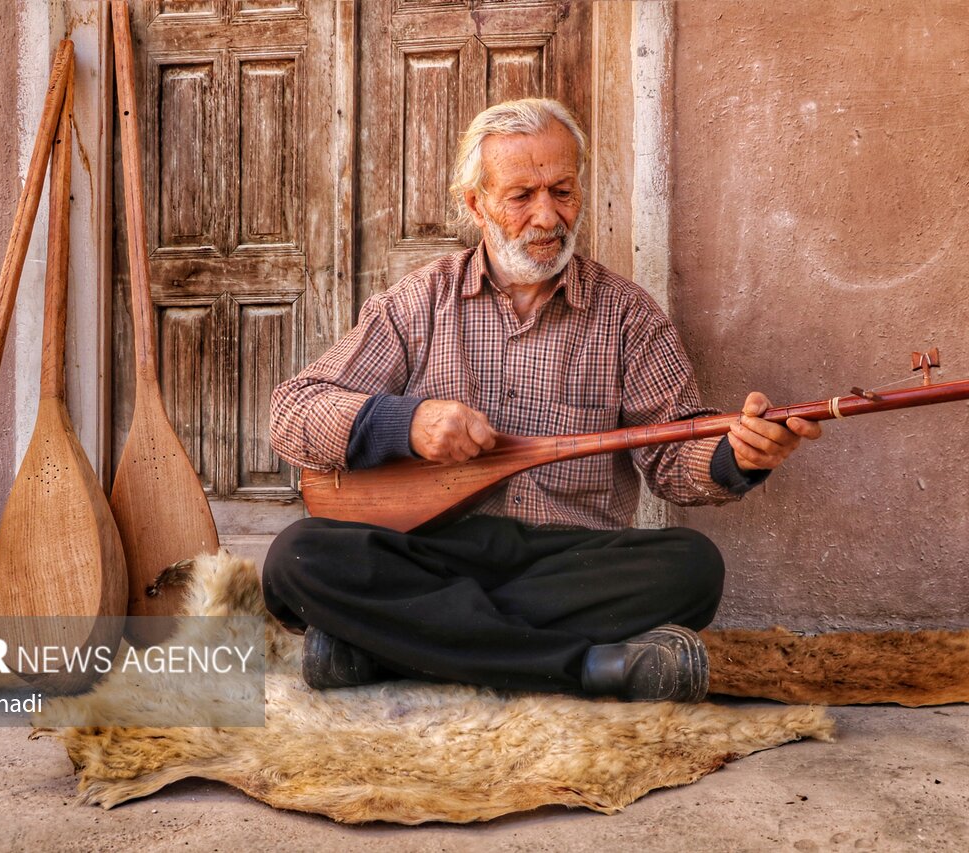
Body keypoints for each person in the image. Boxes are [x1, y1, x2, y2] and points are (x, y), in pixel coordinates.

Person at [263, 98, 821, 702]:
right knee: (297, 557)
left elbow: (673, 456)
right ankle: (590, 667)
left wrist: (737, 456)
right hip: (431, 552)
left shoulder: (628, 316)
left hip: (566, 560)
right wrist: (407, 423)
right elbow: (293, 411)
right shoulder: (421, 300)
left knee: (692, 568)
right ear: (476, 204)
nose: (547, 216)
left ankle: (382, 644)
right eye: (521, 195)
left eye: (563, 190)